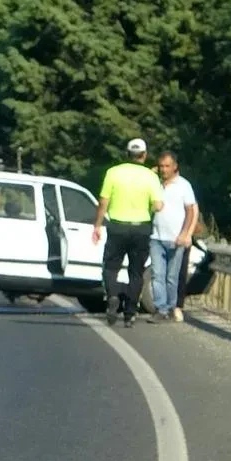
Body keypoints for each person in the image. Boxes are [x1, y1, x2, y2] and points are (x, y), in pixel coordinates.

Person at [92, 138, 164, 327]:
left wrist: (97, 225)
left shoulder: (113, 172)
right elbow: (158, 205)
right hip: (141, 227)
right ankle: (130, 313)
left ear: (126, 154)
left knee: (110, 267)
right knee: (136, 271)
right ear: (144, 155)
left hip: (117, 226)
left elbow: (103, 201)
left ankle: (113, 295)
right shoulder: (151, 176)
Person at [149, 151, 198, 323]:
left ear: (175, 166)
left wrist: (185, 234)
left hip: (176, 238)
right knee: (157, 275)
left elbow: (190, 211)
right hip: (156, 237)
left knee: (172, 277)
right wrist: (152, 174)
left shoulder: (184, 185)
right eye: (161, 166)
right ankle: (160, 309)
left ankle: (171, 307)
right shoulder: (156, 184)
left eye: (167, 166)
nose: (164, 169)